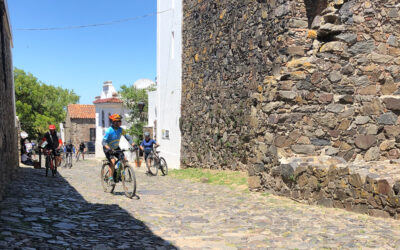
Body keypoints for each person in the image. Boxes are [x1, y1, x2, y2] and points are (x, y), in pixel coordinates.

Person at [103, 114, 135, 186]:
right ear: (113, 122)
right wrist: (109, 149)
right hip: (108, 148)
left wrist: (133, 144)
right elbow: (103, 142)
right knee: (113, 161)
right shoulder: (109, 131)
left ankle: (118, 174)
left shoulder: (121, 130)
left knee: (124, 159)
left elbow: (127, 137)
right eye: (117, 121)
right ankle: (110, 178)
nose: (119, 122)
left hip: (116, 147)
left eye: (120, 121)